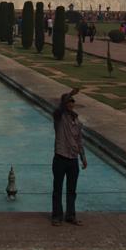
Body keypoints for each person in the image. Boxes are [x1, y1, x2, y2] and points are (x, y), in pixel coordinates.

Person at [51, 88, 88, 226]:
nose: (71, 103)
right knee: (58, 189)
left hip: (73, 159)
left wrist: (83, 157)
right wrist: (70, 94)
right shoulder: (59, 118)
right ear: (64, 103)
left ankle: (70, 215)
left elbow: (79, 140)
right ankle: (57, 216)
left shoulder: (77, 121)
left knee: (72, 190)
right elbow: (58, 109)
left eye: (72, 101)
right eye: (68, 101)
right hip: (60, 157)